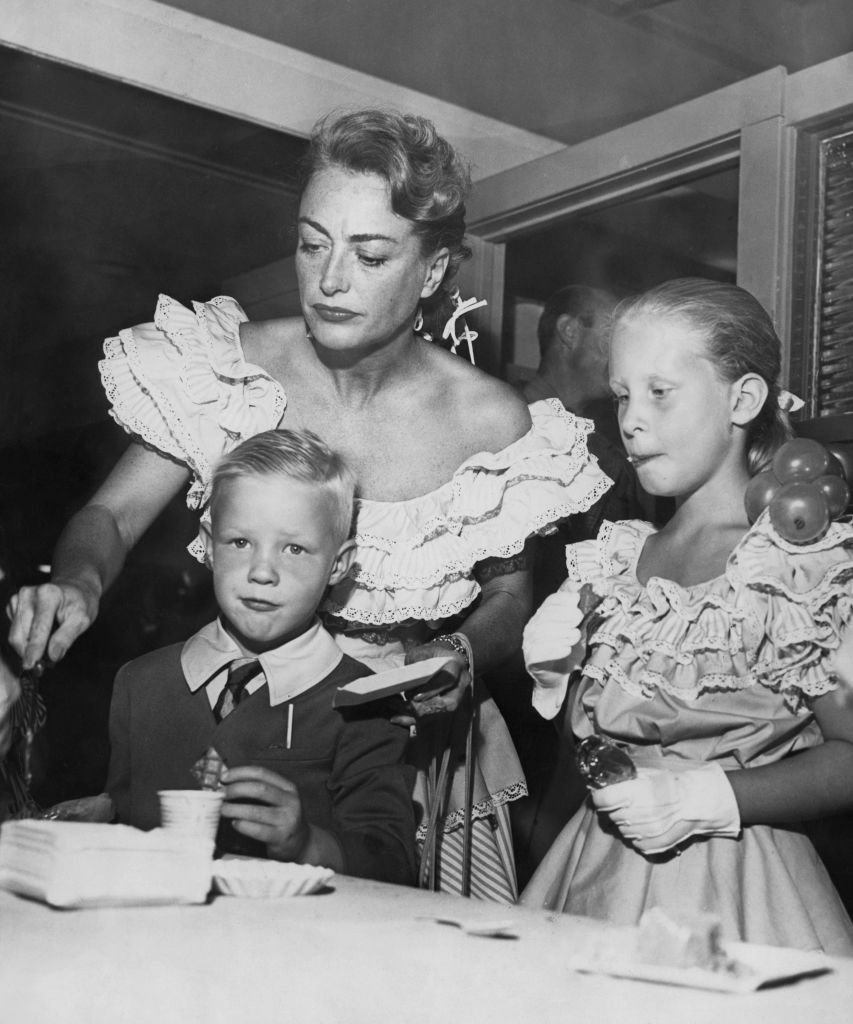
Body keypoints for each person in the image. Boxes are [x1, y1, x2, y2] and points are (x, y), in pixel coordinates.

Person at [8, 109, 610, 900]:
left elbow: (509, 594)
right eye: (311, 241)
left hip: (416, 750)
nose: (329, 280)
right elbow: (112, 518)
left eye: (368, 254)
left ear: (432, 272)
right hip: (251, 733)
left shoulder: (491, 419)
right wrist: (80, 581)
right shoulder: (226, 367)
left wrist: (461, 653)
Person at [520, 277, 853, 955]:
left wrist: (702, 799)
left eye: (659, 392)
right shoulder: (614, 559)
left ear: (743, 399)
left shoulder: (794, 566)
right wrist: (554, 678)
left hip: (738, 901)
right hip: (592, 880)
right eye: (620, 396)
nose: (631, 419)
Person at [106, 429, 416, 883]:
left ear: (338, 564)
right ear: (209, 545)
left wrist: (307, 843)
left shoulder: (365, 702)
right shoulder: (140, 682)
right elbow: (119, 825)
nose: (262, 572)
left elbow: (393, 865)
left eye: (294, 548)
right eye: (240, 542)